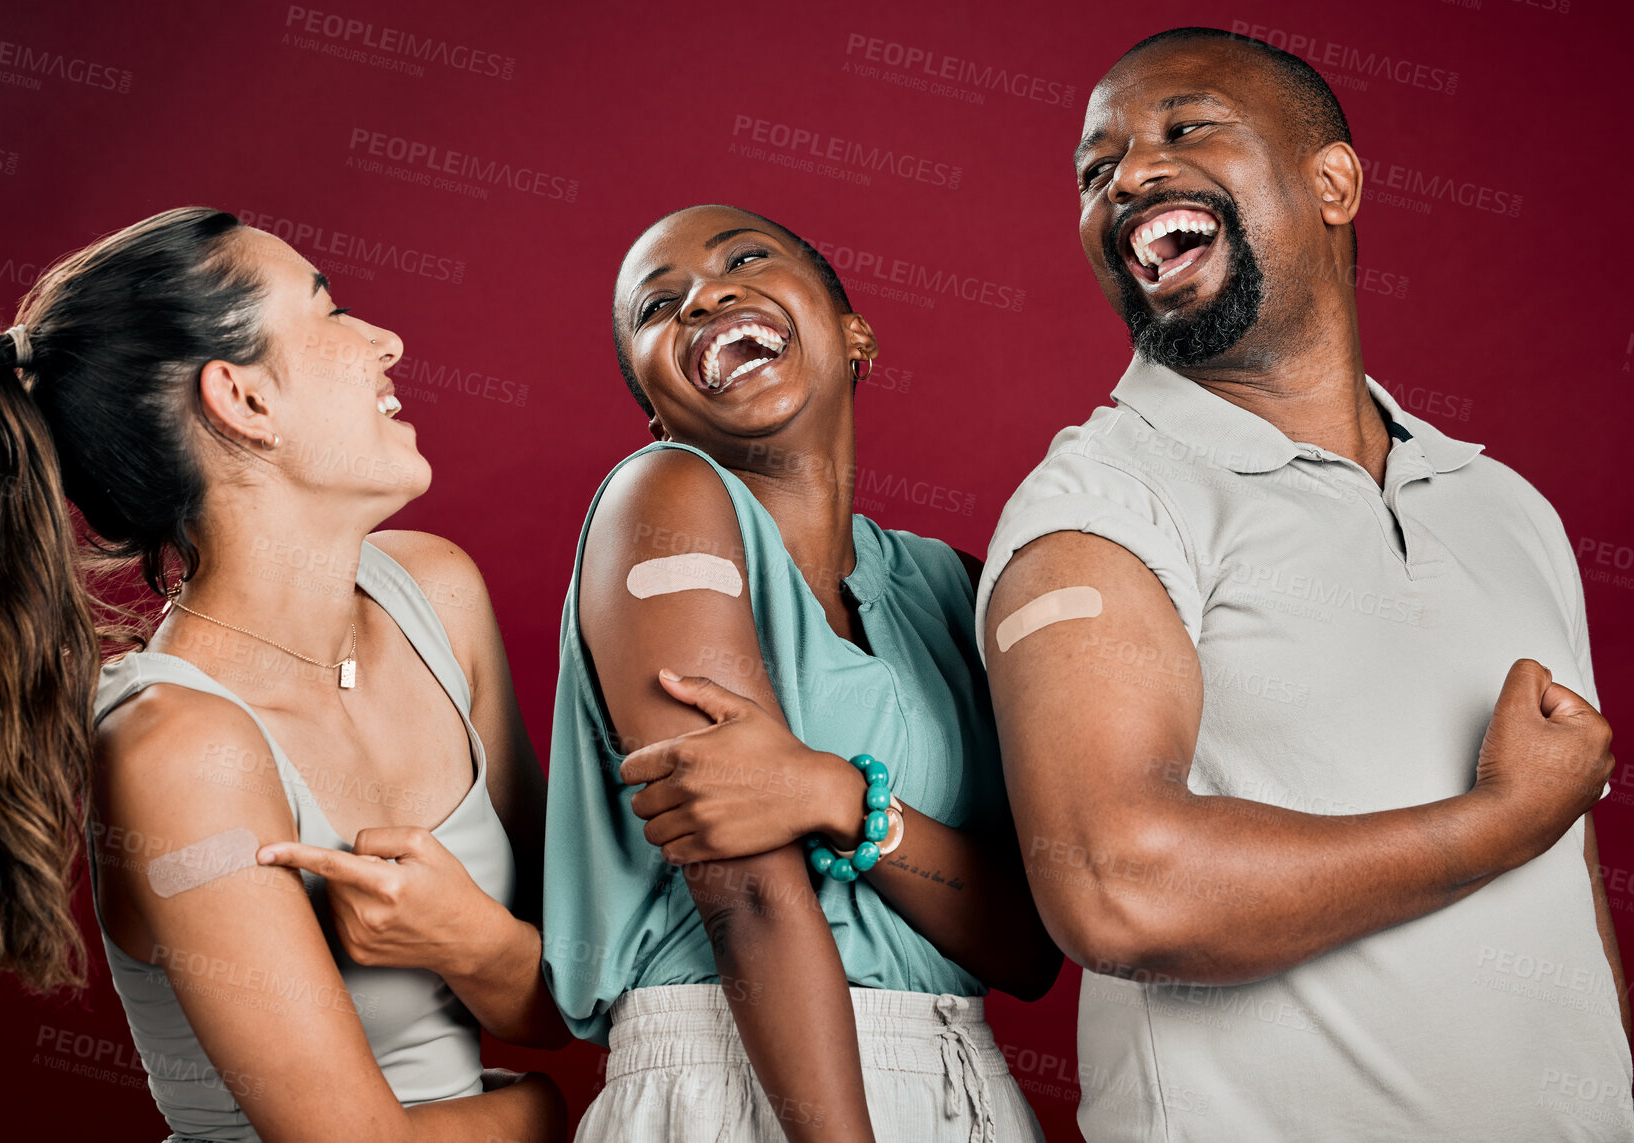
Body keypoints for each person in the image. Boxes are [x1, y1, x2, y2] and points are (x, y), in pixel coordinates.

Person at [975, 26, 1630, 1141]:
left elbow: (1565, 880)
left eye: (1185, 130)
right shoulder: (1100, 503)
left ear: (1332, 182)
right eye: (1095, 170)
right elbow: (1116, 888)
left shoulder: (1504, 507)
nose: (1129, 175)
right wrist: (1497, 819)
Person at [0, 207, 569, 1143]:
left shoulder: (437, 599)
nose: (387, 341)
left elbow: (569, 992)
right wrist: (541, 1109)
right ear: (242, 401)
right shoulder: (179, 747)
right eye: (330, 312)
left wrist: (468, 939)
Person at [541, 203, 1061, 1143]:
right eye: (661, 307)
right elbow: (744, 894)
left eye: (745, 259)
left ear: (854, 333)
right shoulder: (661, 495)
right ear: (656, 408)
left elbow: (1026, 945)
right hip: (730, 1080)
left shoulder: (952, 586)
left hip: (965, 1086)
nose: (708, 297)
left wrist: (835, 795)